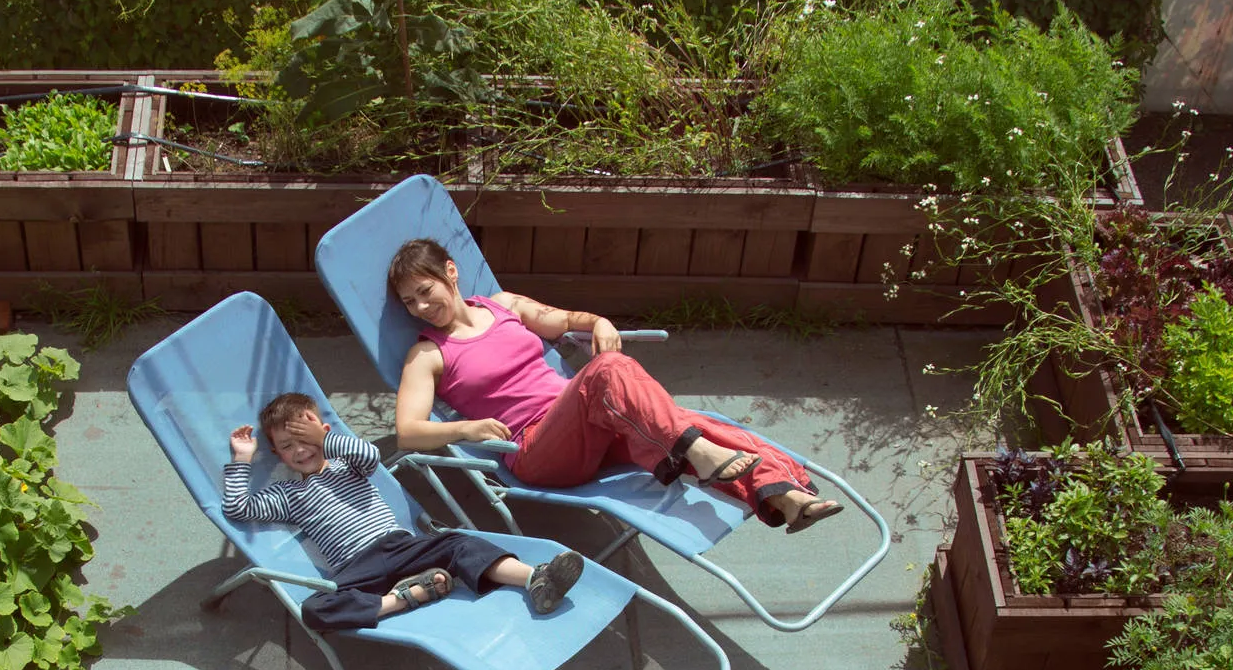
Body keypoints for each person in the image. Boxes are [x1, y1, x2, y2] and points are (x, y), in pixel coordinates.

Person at [387, 238, 845, 532]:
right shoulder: (428, 355)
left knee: (691, 422)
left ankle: (787, 498)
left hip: (593, 421)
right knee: (610, 372)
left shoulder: (504, 306)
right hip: (536, 449)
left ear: (450, 272)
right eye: (409, 302)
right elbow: (408, 430)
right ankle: (699, 454)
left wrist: (600, 320)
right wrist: (465, 430)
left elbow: (566, 320)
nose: (421, 307)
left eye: (425, 291)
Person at [222, 391, 585, 632]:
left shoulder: (347, 466)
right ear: (278, 456)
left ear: (325, 433)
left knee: (458, 542)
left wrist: (323, 440)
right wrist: (242, 458)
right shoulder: (287, 494)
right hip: (355, 569)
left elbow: (370, 456)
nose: (300, 450)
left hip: (400, 546)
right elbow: (237, 507)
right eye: (287, 446)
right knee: (315, 609)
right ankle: (401, 599)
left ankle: (535, 578)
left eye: (306, 439)